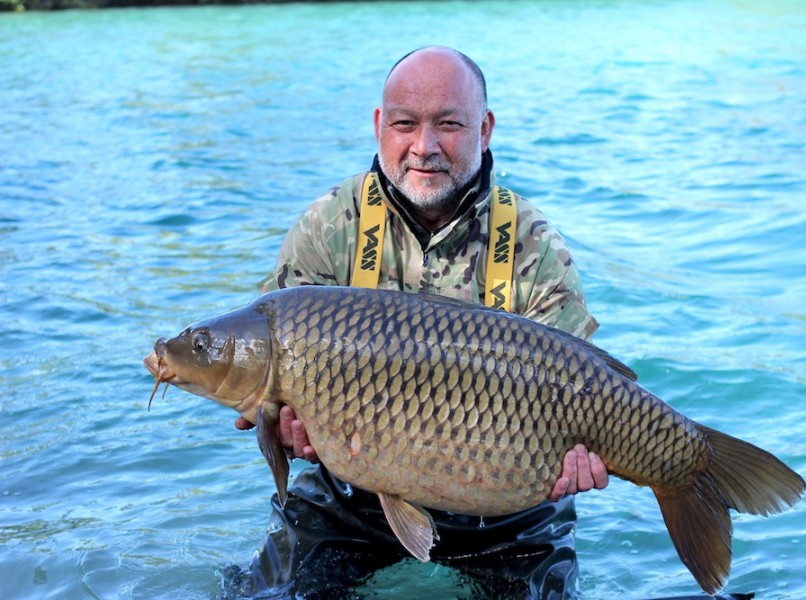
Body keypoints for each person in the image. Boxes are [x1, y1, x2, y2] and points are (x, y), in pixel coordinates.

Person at [229, 46, 609, 600]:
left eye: (449, 125)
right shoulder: (328, 227)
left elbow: (584, 392)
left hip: (506, 509)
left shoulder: (531, 242)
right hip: (349, 498)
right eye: (405, 124)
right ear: (381, 126)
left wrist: (583, 458)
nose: (424, 147)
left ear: (485, 129)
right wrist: (281, 428)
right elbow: (261, 387)